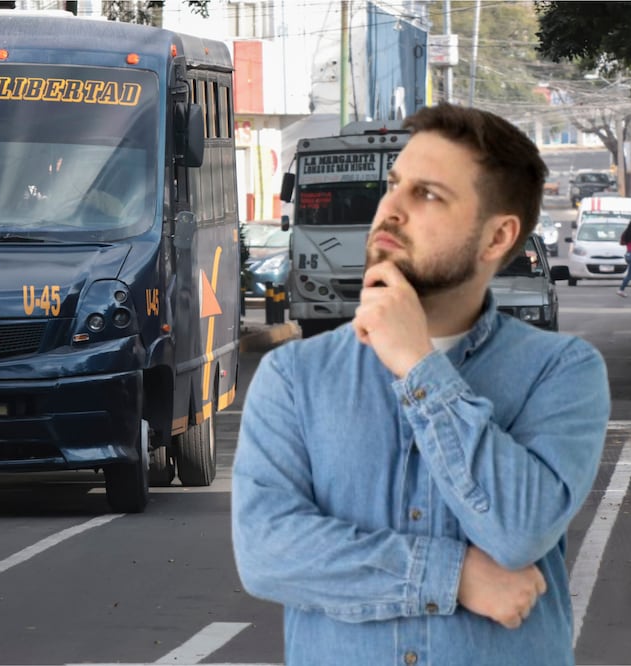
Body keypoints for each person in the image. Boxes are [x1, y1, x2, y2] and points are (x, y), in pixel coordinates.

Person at [232, 102, 609, 666]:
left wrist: (417, 365)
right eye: (394, 185)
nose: (390, 210)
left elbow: (519, 531)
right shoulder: (295, 377)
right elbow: (266, 553)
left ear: (497, 237)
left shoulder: (561, 371)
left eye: (427, 195)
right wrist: (453, 576)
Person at [617, 218, 631, 296]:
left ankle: (621, 289)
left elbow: (621, 242)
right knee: (629, 275)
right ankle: (621, 289)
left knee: (629, 275)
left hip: (628, 254)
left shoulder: (626, 233)